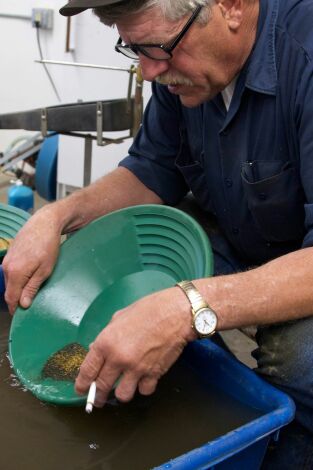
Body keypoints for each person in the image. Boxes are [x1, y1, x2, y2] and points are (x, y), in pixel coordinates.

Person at [4, 0, 313, 467]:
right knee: (118, 288)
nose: (149, 72)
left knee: (300, 361)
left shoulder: (303, 58)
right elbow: (152, 171)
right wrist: (57, 217)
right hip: (238, 233)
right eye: (134, 50)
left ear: (230, 7)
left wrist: (187, 308)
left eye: (158, 48)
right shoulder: (179, 68)